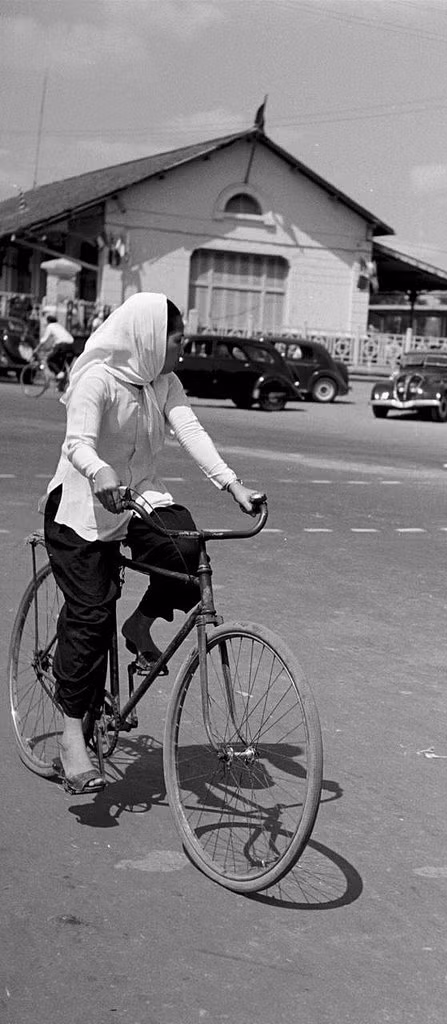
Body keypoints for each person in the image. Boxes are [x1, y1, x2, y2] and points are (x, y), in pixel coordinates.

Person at [42, 292, 263, 795]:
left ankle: (140, 624)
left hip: (138, 498)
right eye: (177, 339)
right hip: (83, 506)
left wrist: (233, 485)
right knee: (91, 614)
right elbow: (77, 443)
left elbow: (191, 430)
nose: (181, 349)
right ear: (148, 338)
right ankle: (71, 735)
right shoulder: (96, 377)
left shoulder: (163, 383)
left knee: (187, 550)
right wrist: (98, 473)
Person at [37, 314, 75, 386]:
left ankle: (59, 374)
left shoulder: (50, 326)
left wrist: (37, 349)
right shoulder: (59, 326)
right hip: (71, 347)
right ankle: (61, 385)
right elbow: (59, 339)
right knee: (61, 364)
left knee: (49, 360)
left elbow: (44, 340)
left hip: (62, 346)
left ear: (48, 321)